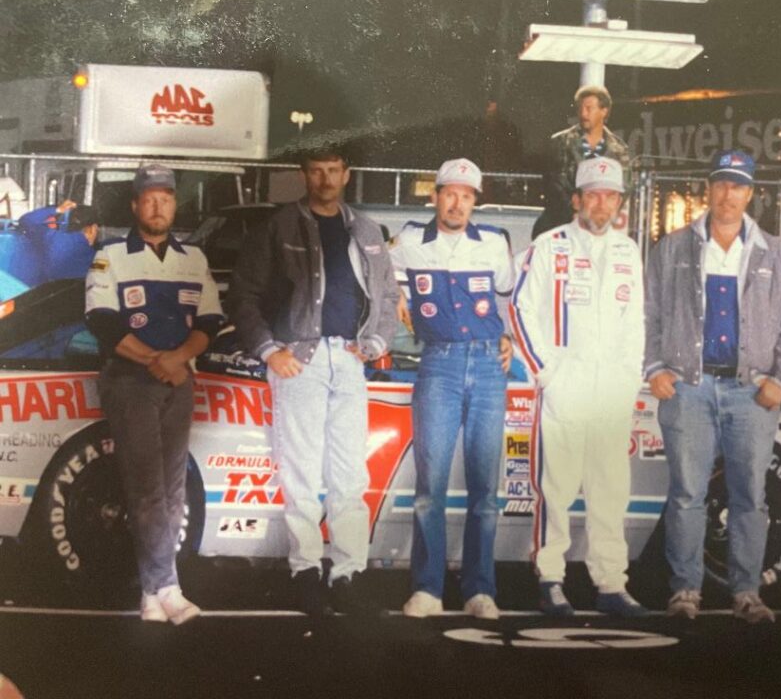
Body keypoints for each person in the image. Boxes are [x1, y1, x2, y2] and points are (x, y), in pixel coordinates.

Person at [228, 148, 400, 618]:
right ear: (305, 175)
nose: (325, 179)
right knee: (301, 470)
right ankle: (305, 571)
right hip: (298, 357)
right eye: (316, 171)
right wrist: (269, 349)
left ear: (346, 175)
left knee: (349, 474)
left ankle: (348, 574)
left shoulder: (366, 229)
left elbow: (388, 293)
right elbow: (243, 294)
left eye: (333, 171)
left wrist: (375, 341)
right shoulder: (278, 226)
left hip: (347, 360)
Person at [644, 149, 781, 624]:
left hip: (749, 393)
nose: (727, 194)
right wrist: (655, 366)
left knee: (749, 496)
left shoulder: (774, 253)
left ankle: (746, 591)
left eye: (738, 186)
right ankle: (685, 591)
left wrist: (780, 380)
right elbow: (648, 313)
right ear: (709, 188)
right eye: (720, 184)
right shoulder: (674, 247)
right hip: (690, 390)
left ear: (750, 193)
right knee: (686, 494)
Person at [84, 164, 223, 624]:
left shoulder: (193, 258)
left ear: (175, 204)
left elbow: (208, 324)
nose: (158, 205)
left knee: (172, 492)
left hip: (178, 381)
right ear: (135, 205)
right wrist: (156, 361)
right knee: (146, 490)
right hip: (131, 381)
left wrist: (178, 358)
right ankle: (163, 587)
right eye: (149, 198)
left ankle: (156, 589)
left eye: (166, 197)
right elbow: (104, 324)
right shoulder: (110, 256)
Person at [510, 156, 647, 618]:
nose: (602, 204)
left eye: (610, 196)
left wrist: (629, 380)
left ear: (620, 202)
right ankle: (551, 578)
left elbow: (637, 325)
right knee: (557, 488)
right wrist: (547, 373)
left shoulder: (629, 252)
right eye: (593, 194)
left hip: (611, 390)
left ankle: (611, 583)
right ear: (577, 200)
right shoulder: (548, 247)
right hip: (564, 386)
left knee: (611, 491)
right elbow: (519, 310)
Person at [388, 158, 515, 619]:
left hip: (486, 366)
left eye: (467, 194)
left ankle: (481, 589)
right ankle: (427, 587)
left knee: (485, 490)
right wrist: (396, 293)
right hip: (437, 365)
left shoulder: (495, 245)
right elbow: (377, 272)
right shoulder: (408, 241)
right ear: (435, 196)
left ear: (475, 201)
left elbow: (513, 300)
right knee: (431, 486)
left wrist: (510, 340)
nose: (457, 202)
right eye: (449, 192)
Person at [533, 85, 631, 238]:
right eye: (580, 108)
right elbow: (554, 184)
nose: (583, 113)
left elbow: (624, 188)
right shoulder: (560, 142)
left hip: (598, 228)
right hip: (558, 225)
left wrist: (599, 214)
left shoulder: (619, 149)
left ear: (603, 111)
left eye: (589, 108)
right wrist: (576, 213)